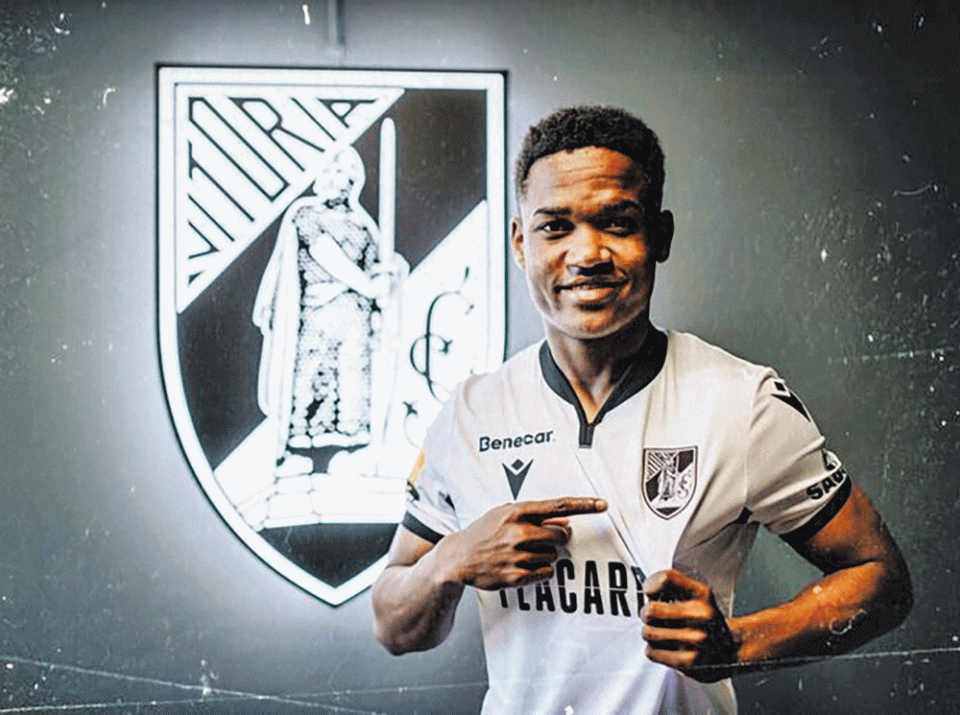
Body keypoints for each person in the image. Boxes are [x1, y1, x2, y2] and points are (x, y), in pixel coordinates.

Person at [371, 106, 912, 714]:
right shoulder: (471, 413)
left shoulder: (741, 402)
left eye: (616, 223)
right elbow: (394, 626)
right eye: (556, 227)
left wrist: (738, 644)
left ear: (660, 236)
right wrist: (451, 559)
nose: (587, 253)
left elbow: (882, 578)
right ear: (521, 243)